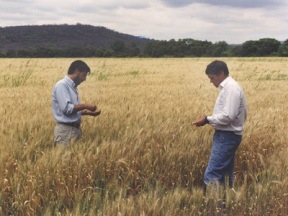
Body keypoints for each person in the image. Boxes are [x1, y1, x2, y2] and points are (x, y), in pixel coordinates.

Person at [193, 60, 247, 190]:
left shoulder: (231, 88)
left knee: (212, 174)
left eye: (212, 78)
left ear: (221, 73)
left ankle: (215, 208)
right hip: (228, 135)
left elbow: (228, 116)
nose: (211, 81)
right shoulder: (230, 87)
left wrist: (207, 119)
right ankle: (225, 206)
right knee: (225, 175)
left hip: (226, 136)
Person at [52, 60, 101, 145]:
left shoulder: (72, 87)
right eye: (84, 75)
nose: (84, 79)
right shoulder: (62, 85)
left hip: (74, 130)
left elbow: (72, 110)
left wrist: (87, 112)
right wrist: (85, 105)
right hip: (66, 132)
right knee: (65, 158)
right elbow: (67, 109)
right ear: (77, 71)